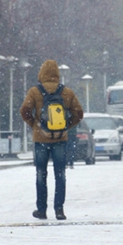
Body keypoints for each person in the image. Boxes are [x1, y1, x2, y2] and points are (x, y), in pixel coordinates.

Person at [19, 60, 84, 221]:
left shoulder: (35, 91)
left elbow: (24, 111)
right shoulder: (66, 92)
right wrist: (66, 126)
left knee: (41, 174)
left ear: (41, 73)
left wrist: (35, 125)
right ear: (57, 74)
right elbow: (79, 113)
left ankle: (41, 209)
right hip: (60, 139)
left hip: (40, 139)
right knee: (60, 174)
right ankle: (59, 209)